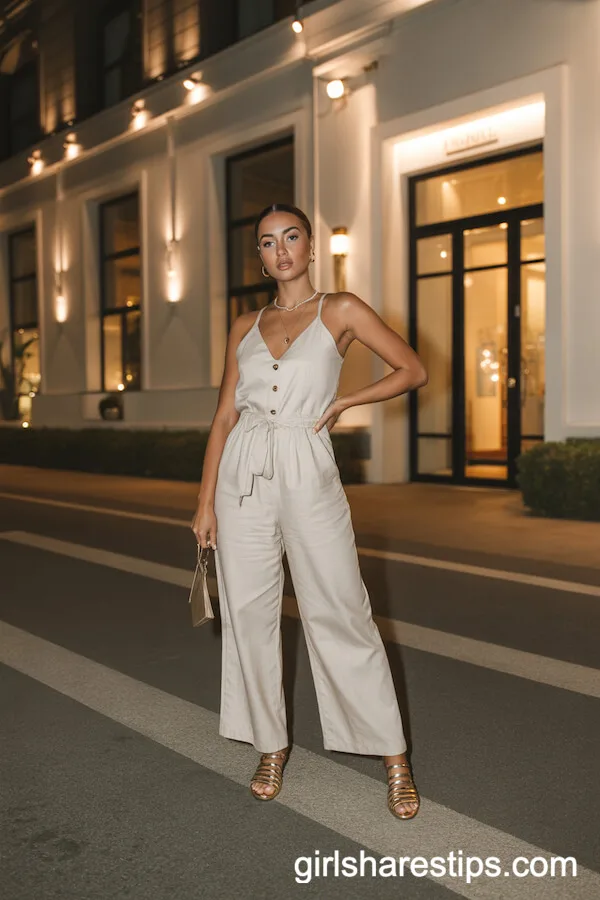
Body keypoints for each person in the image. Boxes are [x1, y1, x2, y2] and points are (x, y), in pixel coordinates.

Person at [191, 203, 428, 819]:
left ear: (311, 245)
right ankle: (270, 746)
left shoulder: (340, 308)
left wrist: (349, 398)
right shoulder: (243, 323)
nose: (282, 250)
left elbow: (412, 369)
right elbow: (223, 417)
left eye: (291, 237)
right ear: (261, 257)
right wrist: (203, 503)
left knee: (341, 608)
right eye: (268, 243)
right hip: (242, 473)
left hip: (307, 462)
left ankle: (393, 756)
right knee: (247, 613)